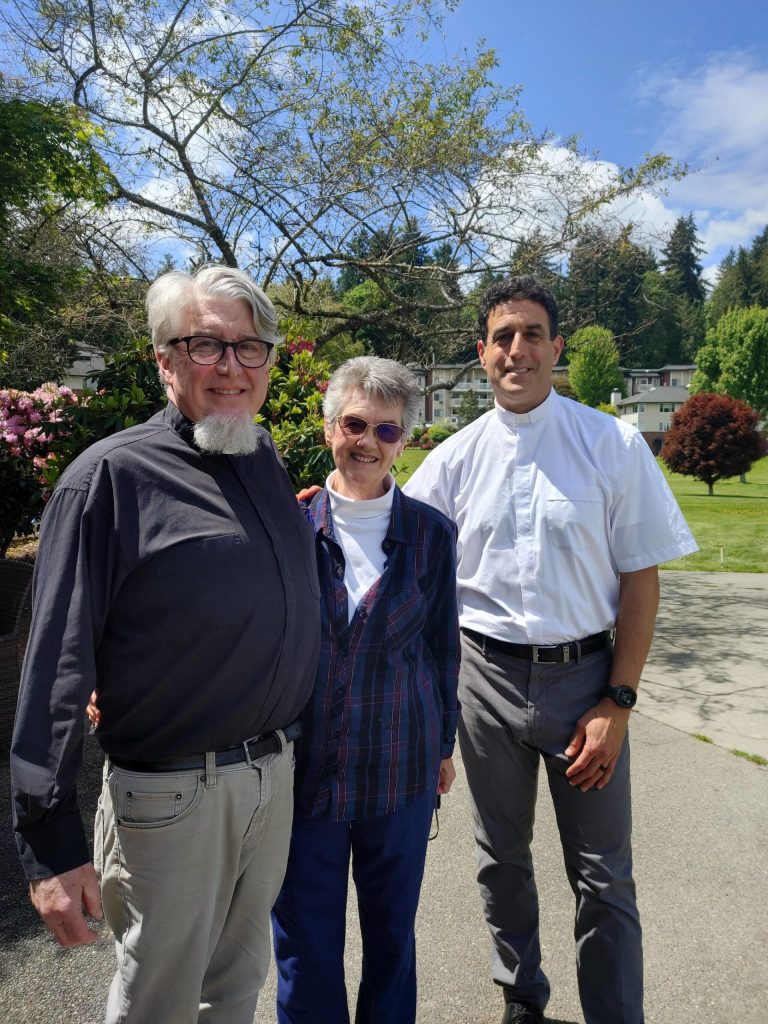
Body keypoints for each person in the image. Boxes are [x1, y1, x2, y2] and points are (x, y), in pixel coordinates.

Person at [10, 265, 321, 1024]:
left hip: (269, 781)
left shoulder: (263, 459)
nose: (232, 368)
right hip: (174, 796)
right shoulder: (111, 479)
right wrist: (51, 847)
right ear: (164, 358)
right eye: (206, 346)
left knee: (235, 990)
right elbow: (54, 668)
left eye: (252, 349)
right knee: (159, 1003)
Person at [403, 276, 697, 1024]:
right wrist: (324, 504)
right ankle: (522, 997)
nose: (518, 350)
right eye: (502, 336)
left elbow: (640, 580)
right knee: (500, 856)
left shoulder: (612, 443)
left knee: (603, 874)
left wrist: (619, 703)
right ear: (482, 352)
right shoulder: (454, 459)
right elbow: (391, 531)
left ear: (557, 347)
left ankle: (614, 1013)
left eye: (532, 333)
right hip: (485, 680)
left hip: (587, 681)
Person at [271, 356, 460, 1024]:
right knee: (304, 944)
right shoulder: (287, 527)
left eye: (387, 430)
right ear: (329, 429)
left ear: (404, 441)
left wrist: (445, 743)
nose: (368, 443)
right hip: (304, 773)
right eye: (355, 424)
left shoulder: (432, 535)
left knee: (392, 939)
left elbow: (443, 646)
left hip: (400, 767)